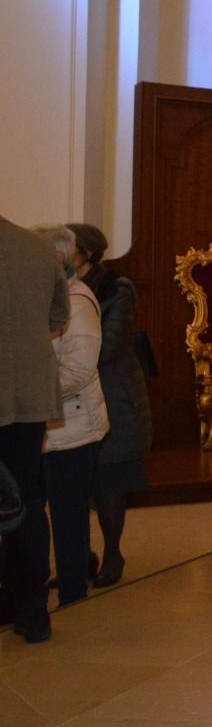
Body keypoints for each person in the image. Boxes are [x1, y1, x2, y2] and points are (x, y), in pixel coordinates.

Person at [68, 223, 152, 587]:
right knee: (72, 483)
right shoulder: (61, 290)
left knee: (108, 481)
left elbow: (110, 345)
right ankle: (79, 556)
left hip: (115, 395)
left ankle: (113, 552)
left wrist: (67, 355)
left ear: (85, 254)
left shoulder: (116, 290)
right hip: (75, 397)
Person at [0, 216, 69, 643]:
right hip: (26, 395)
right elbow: (58, 316)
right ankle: (33, 612)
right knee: (25, 499)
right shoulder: (39, 248)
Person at [34, 223, 110, 609]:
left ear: (59, 259)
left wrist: (29, 390)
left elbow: (78, 371)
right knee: (32, 513)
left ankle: (73, 593)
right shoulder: (42, 296)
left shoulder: (78, 303)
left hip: (73, 428)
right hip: (43, 425)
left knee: (67, 516)